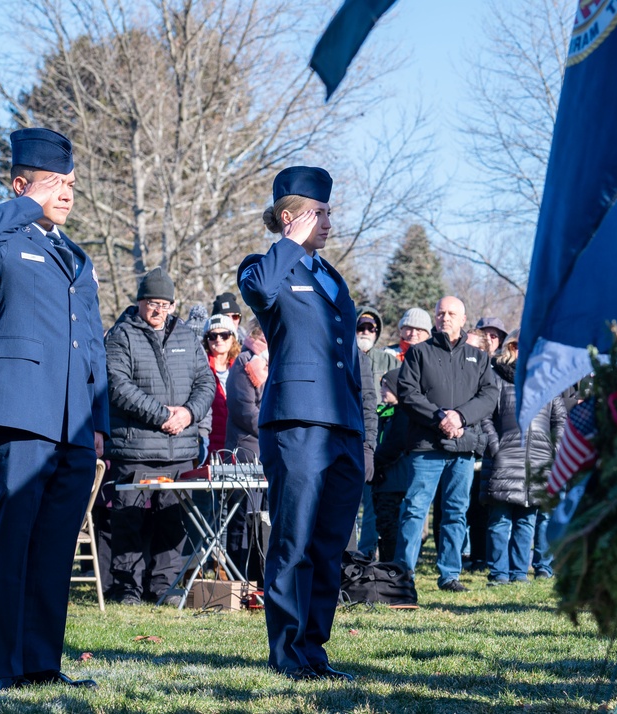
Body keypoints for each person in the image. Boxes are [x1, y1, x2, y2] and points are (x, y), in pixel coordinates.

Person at [0, 127, 109, 690]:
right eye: (54, 183)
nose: (67, 193)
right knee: (11, 540)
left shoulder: (76, 255)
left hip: (72, 423)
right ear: (21, 185)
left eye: (71, 184)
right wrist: (26, 203)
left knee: (52, 551)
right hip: (17, 413)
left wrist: (99, 427)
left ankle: (41, 664)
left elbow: (92, 343)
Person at [238, 165, 365, 681]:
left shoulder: (331, 277)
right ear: (291, 217)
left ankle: (315, 650)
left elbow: (348, 357)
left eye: (330, 212)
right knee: (294, 540)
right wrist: (288, 240)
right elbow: (262, 293)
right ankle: (288, 652)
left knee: (330, 544)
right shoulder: (266, 266)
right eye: (320, 212)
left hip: (343, 426)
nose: (330, 221)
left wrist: (363, 432)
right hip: (296, 424)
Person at [104, 267, 216, 605]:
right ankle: (127, 588)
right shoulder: (120, 335)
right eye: (152, 303)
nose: (158, 311)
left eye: (165, 304)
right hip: (135, 447)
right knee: (129, 521)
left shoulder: (186, 336)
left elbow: (206, 382)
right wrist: (162, 415)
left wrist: (188, 414)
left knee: (173, 521)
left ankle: (165, 587)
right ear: (139, 302)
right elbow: (117, 386)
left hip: (180, 447)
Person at [395, 296, 499, 592]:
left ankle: (450, 574)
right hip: (426, 445)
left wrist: (461, 417)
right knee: (415, 509)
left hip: (463, 447)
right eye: (440, 313)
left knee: (456, 511)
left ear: (463, 319)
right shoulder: (419, 353)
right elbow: (407, 392)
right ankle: (404, 574)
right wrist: (440, 417)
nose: (445, 318)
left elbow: (489, 395)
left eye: (452, 313)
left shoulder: (478, 357)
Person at [480, 329, 566, 585]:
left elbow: (559, 419)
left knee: (527, 522)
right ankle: (498, 574)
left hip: (537, 462)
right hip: (504, 459)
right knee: (500, 522)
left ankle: (519, 574)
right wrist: (495, 447)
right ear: (510, 348)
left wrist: (553, 448)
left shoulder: (548, 382)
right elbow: (485, 417)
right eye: (518, 346)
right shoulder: (496, 378)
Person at [224, 319, 269, 585]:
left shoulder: (273, 360)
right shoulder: (244, 362)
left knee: (264, 518)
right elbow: (244, 411)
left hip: (270, 452)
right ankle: (238, 577)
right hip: (246, 451)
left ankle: (259, 576)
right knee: (243, 516)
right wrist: (273, 429)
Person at [355, 306, 399, 556]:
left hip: (381, 438)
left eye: (371, 328)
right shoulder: (342, 356)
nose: (365, 332)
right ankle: (347, 549)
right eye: (360, 326)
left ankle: (367, 550)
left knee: (372, 500)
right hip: (350, 433)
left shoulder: (388, 360)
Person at [372, 369, 410, 564]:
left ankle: (393, 566)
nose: (382, 389)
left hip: (395, 480)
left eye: (387, 385)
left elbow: (395, 445)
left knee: (391, 524)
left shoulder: (403, 414)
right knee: (384, 524)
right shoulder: (384, 413)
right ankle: (386, 564)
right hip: (383, 479)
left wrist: (374, 462)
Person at [202, 313, 241, 458]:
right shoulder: (200, 367)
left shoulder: (242, 368)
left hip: (238, 445)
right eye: (212, 335)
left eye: (224, 334)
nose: (218, 339)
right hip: (209, 444)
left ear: (233, 338)